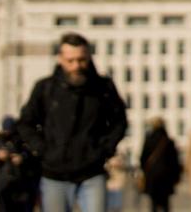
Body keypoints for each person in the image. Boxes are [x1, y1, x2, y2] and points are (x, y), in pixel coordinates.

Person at [16, 32, 127, 212]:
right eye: (71, 60)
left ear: (89, 57)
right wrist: (42, 149)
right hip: (54, 174)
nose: (76, 66)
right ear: (60, 59)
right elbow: (25, 123)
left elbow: (119, 122)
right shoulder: (45, 88)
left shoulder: (103, 88)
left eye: (81, 60)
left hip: (92, 172)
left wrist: (104, 149)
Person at [0, 115, 39, 212]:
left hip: (23, 185)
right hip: (4, 185)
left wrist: (22, 157)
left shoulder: (22, 139)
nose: (8, 132)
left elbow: (34, 155)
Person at [139, 119, 181, 212]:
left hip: (152, 177)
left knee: (153, 203)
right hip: (166, 177)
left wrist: (145, 172)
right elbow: (174, 162)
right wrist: (176, 177)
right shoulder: (168, 141)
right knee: (165, 203)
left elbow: (142, 159)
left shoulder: (149, 140)